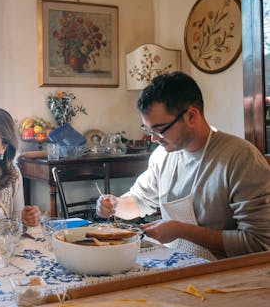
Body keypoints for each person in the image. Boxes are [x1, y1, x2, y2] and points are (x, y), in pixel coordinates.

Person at [97, 72, 270, 260]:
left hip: (227, 275)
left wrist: (183, 231)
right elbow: (140, 201)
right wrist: (116, 205)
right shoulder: (162, 156)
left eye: (160, 129)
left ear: (192, 116)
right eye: (148, 130)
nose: (153, 139)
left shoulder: (240, 158)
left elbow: (259, 243)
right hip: (176, 265)